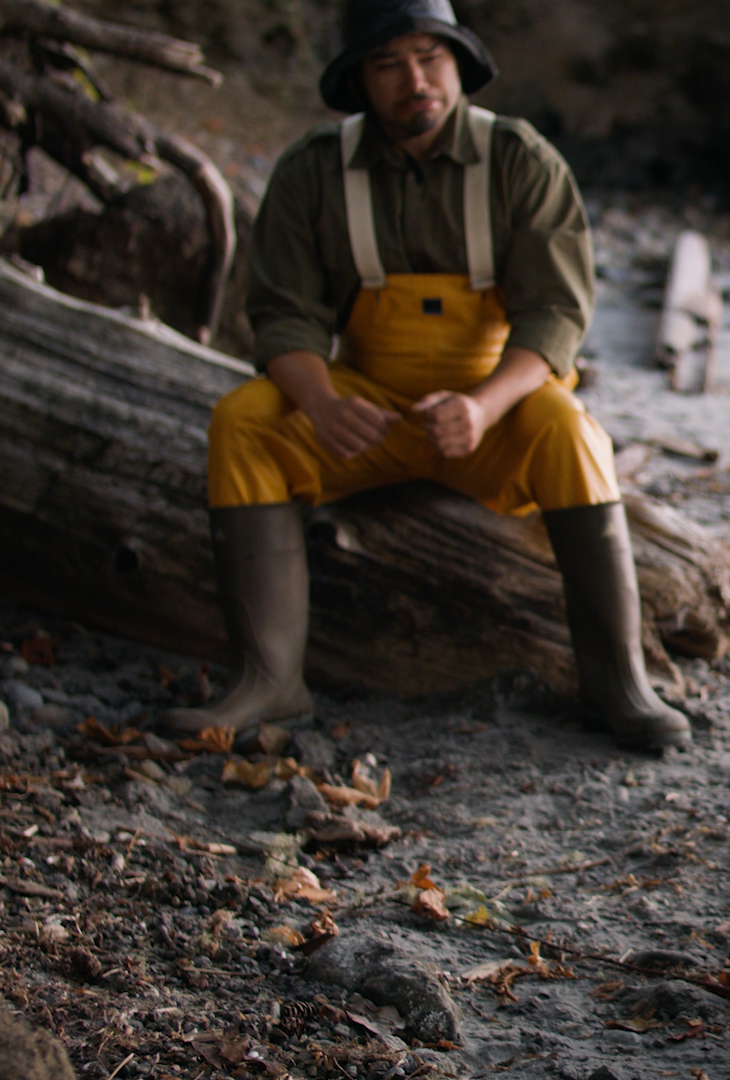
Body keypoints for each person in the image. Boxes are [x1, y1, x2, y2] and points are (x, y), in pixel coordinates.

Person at [163, 0, 689, 750]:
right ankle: (270, 680)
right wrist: (318, 401)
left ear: (458, 63)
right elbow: (282, 314)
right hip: (364, 411)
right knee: (243, 421)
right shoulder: (315, 169)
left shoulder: (518, 160)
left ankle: (617, 684)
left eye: (430, 57)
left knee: (573, 430)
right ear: (359, 81)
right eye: (389, 64)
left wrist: (482, 406)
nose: (416, 80)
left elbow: (556, 315)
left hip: (494, 414)